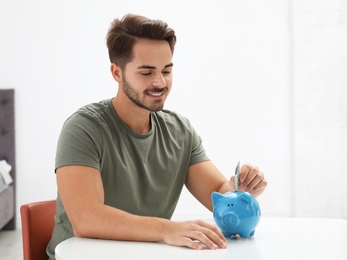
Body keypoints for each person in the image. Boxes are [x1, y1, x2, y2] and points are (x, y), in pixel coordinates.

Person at [46, 13, 267, 259]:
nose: (160, 82)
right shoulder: (84, 128)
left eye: (166, 70)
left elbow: (219, 193)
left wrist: (240, 191)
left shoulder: (180, 131)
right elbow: (87, 219)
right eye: (146, 72)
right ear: (117, 73)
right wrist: (167, 229)